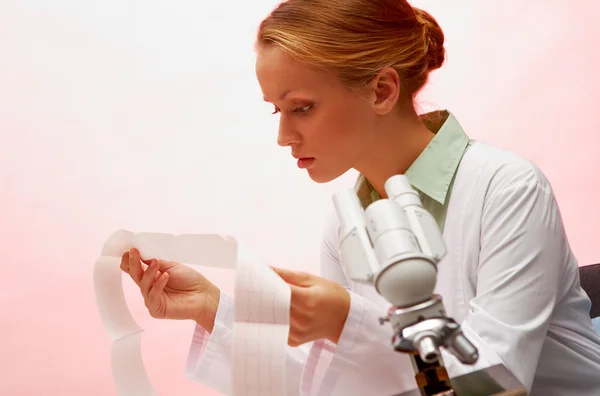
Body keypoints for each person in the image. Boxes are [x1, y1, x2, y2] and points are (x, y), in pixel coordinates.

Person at [120, 0, 600, 395]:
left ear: (382, 90)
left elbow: (498, 383)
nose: (284, 136)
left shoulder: (507, 188)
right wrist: (214, 309)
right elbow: (340, 382)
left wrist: (350, 321)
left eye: (302, 108)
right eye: (277, 112)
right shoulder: (346, 221)